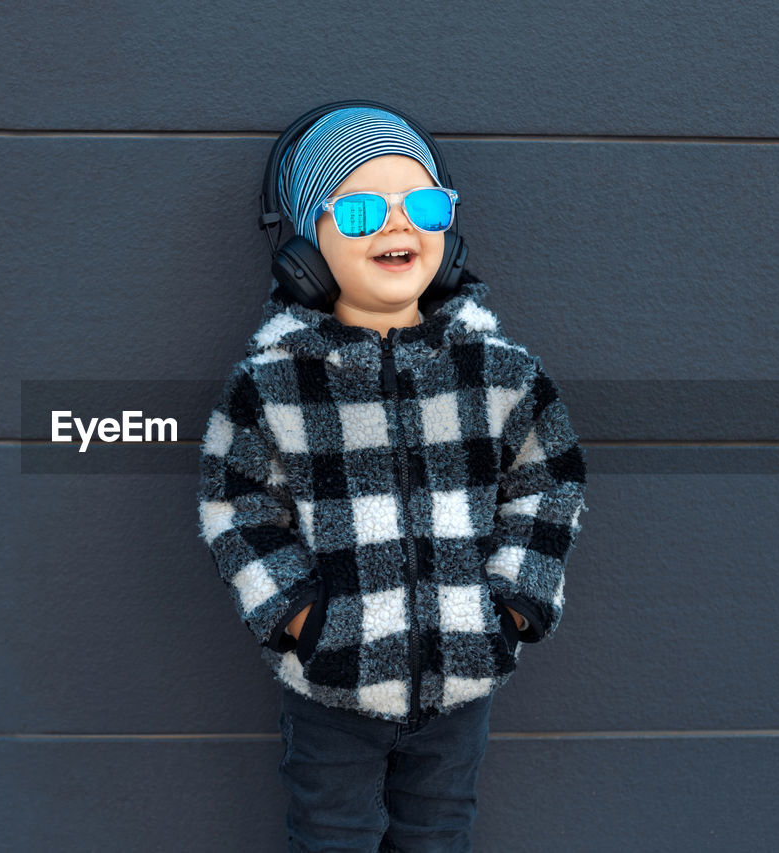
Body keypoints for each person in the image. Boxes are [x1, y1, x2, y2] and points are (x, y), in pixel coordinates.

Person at [196, 104, 588, 852]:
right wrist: (301, 618)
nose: (397, 225)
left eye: (426, 205)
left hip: (463, 677)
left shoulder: (498, 371)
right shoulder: (275, 383)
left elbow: (550, 480)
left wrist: (511, 608)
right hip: (333, 679)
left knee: (440, 831)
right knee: (329, 831)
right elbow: (236, 505)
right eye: (365, 208)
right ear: (307, 246)